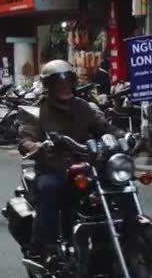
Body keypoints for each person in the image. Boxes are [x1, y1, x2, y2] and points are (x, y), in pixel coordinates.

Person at [18, 59, 122, 261]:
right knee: (49, 188)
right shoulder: (39, 111)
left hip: (87, 166)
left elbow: (105, 127)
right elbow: (26, 138)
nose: (64, 87)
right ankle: (44, 247)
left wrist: (122, 136)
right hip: (54, 168)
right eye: (59, 83)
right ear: (49, 86)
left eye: (67, 82)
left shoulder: (84, 107)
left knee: (116, 186)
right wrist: (36, 146)